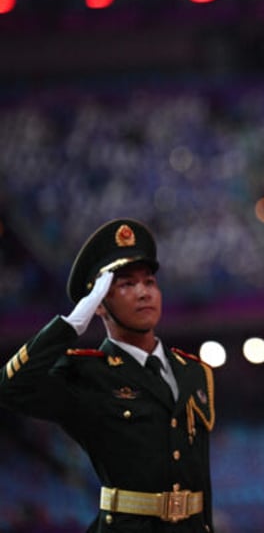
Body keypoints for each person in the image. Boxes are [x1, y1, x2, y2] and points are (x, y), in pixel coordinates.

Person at [0, 219, 216, 532]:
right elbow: (10, 387)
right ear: (99, 304)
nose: (144, 293)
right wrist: (71, 324)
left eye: (150, 281)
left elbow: (201, 476)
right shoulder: (87, 373)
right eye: (126, 284)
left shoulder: (194, 371)